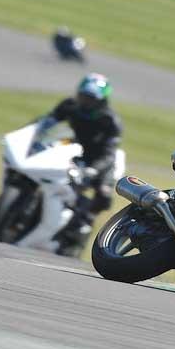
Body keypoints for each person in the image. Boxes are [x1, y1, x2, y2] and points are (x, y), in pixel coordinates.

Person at [40, 73, 123, 238]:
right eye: (83, 96)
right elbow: (45, 122)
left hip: (99, 160)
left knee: (104, 194)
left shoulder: (110, 121)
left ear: (101, 101)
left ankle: (85, 223)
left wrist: (93, 170)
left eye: (91, 99)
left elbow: (109, 153)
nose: (85, 102)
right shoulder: (69, 106)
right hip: (73, 151)